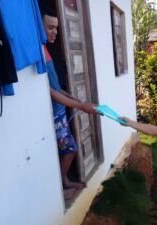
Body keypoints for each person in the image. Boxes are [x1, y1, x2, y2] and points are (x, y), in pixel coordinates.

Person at [42, 13, 97, 199]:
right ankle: (60, 188)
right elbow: (49, 92)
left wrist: (74, 98)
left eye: (56, 27)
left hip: (59, 110)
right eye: (50, 27)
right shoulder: (38, 53)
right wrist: (81, 106)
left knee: (67, 149)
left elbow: (55, 87)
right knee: (70, 149)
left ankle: (64, 181)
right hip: (55, 113)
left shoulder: (45, 50)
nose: (55, 32)